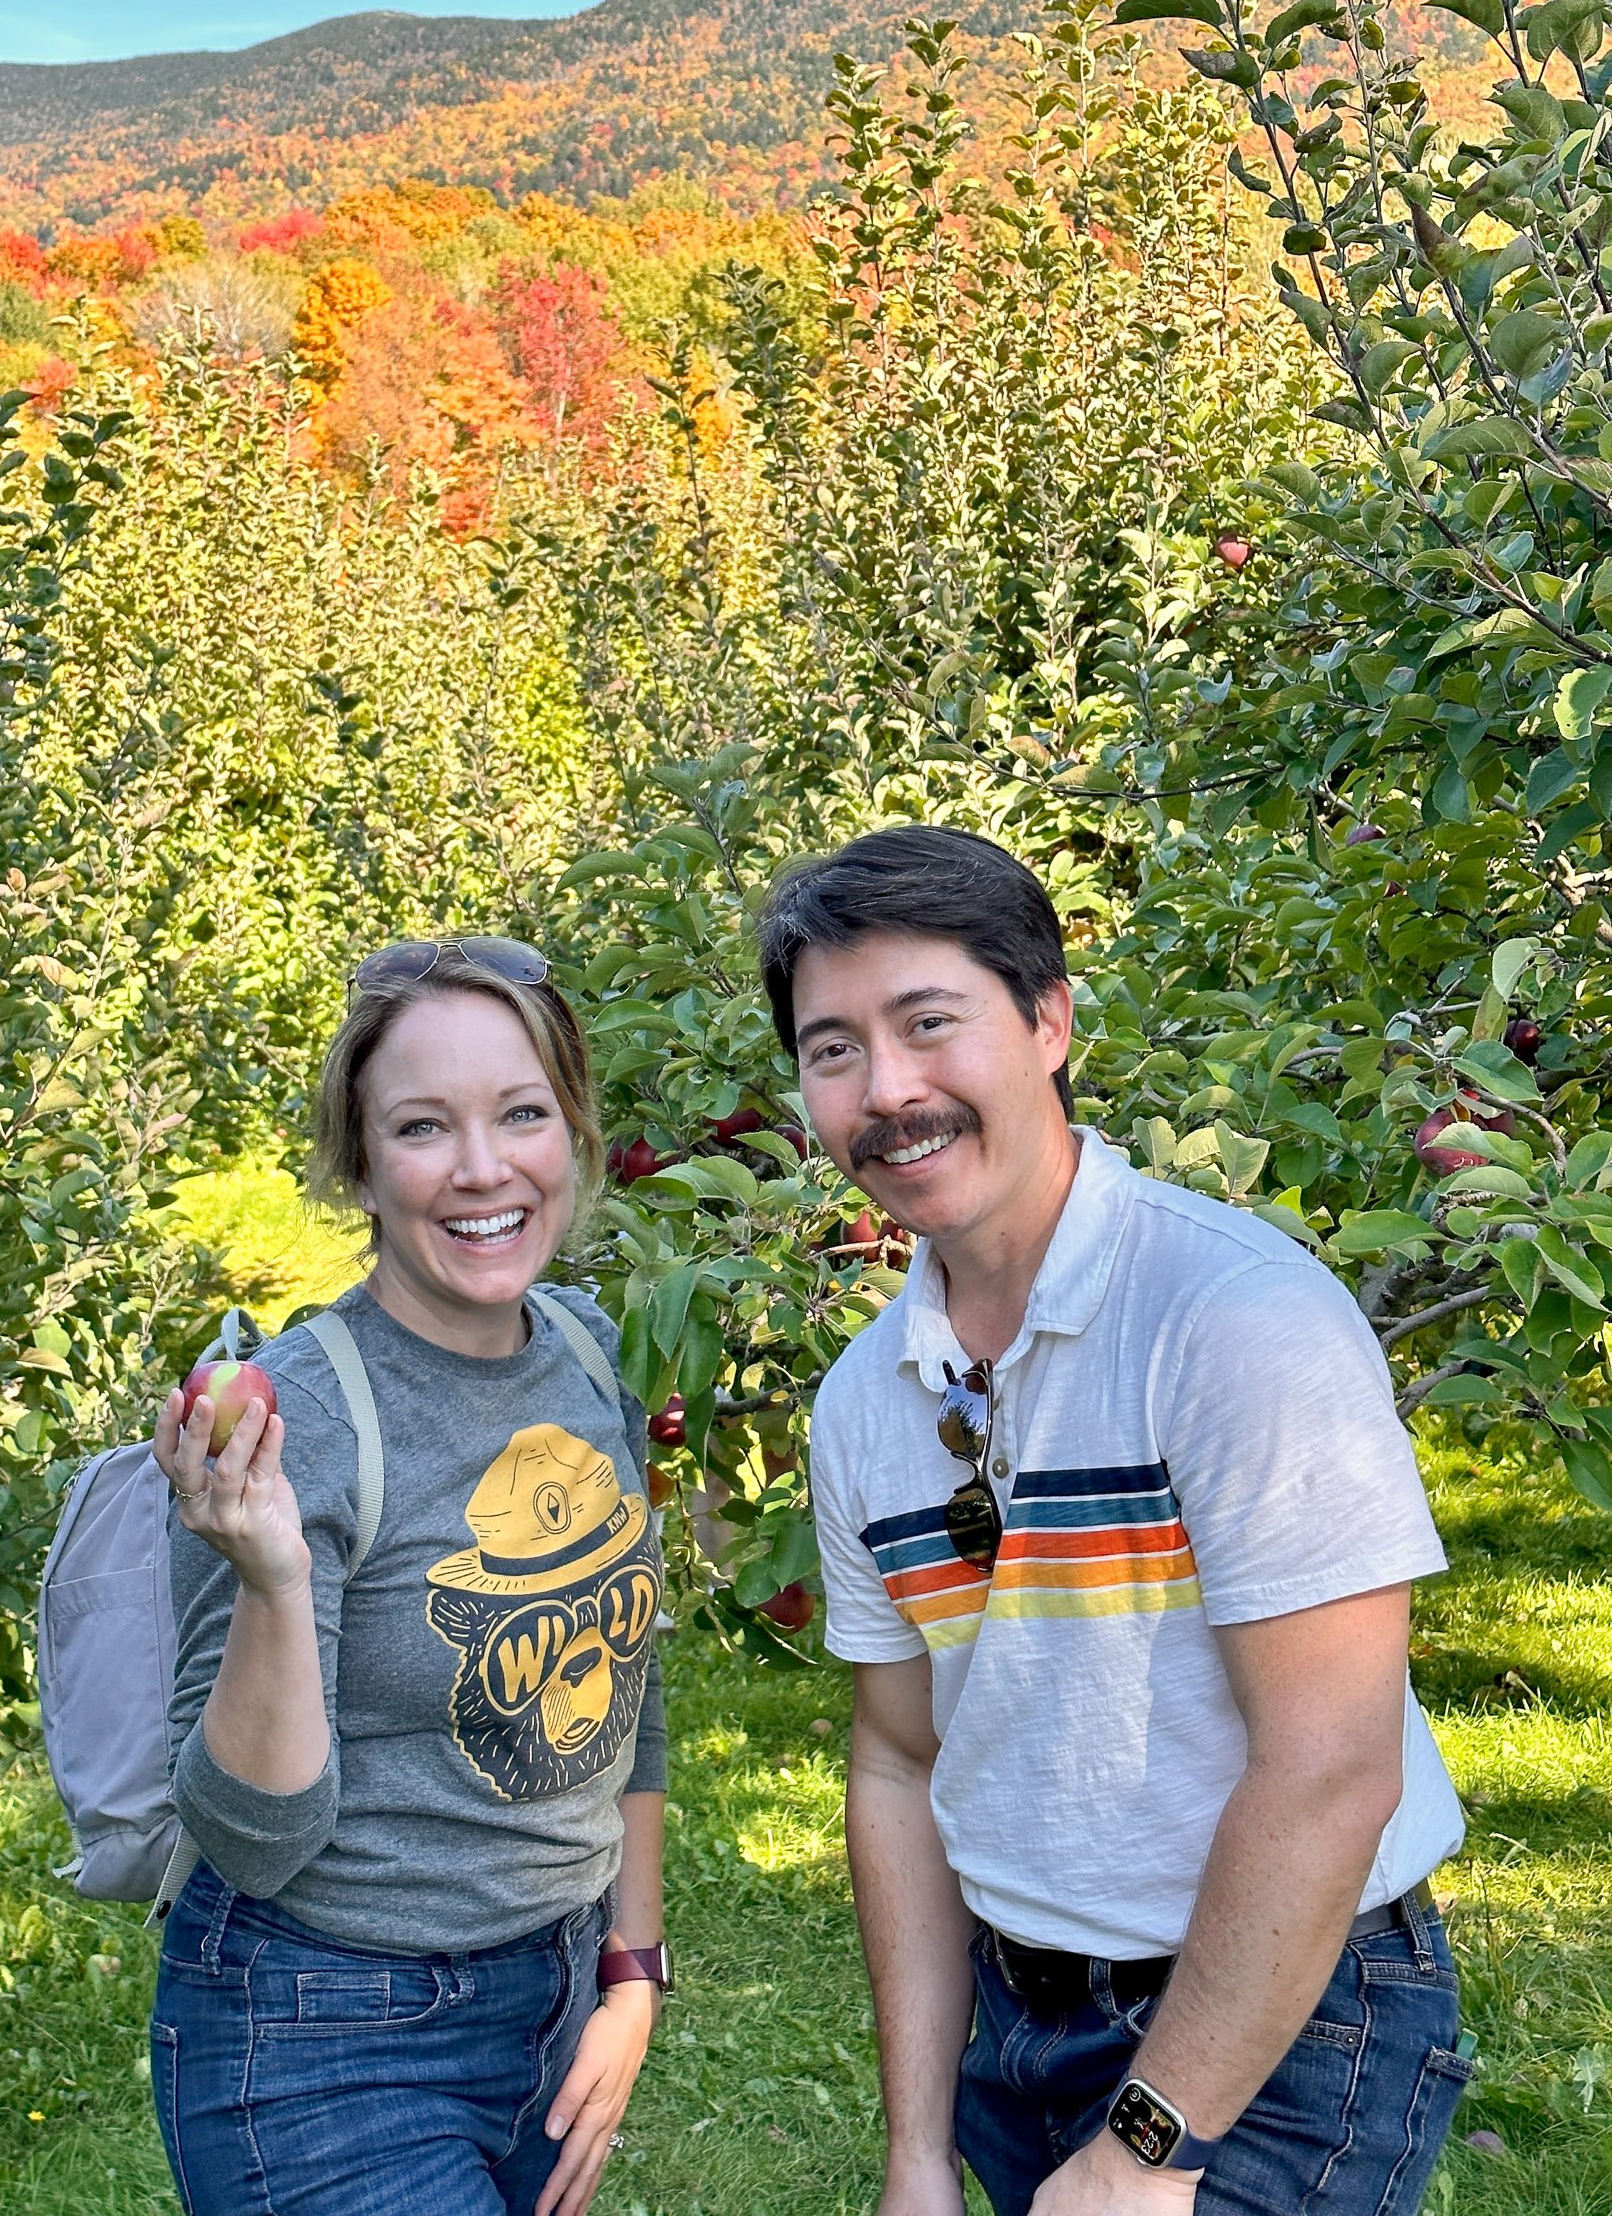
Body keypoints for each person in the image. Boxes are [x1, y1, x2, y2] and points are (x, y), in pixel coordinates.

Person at [758, 826, 1471, 2216]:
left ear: (1045, 1019)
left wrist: (1147, 2143)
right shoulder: (860, 1404)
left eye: (926, 1023)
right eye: (830, 1047)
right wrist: (914, 2150)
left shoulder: (1230, 1322)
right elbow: (899, 1763)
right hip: (1021, 2016)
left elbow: (1328, 1766)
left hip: (1289, 2008)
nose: (884, 1090)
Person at [149, 936, 670, 2216]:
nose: (485, 1169)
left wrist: (631, 1961)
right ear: (362, 1161)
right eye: (425, 1126)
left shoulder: (587, 1353)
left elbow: (624, 1687)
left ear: (576, 1132)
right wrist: (271, 1580)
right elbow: (250, 1836)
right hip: (324, 2029)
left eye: (523, 1114)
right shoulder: (303, 1418)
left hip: (548, 2011)